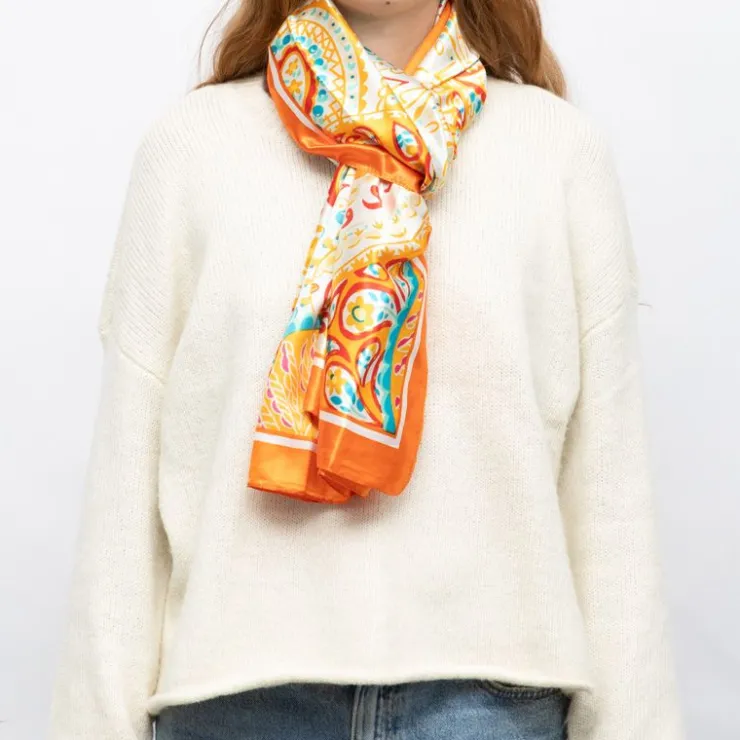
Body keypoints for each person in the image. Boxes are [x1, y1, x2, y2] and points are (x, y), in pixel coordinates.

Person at [49, 0, 683, 738]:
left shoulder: (559, 152)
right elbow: (125, 483)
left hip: (488, 707)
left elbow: (608, 491)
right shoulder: (191, 149)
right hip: (239, 702)